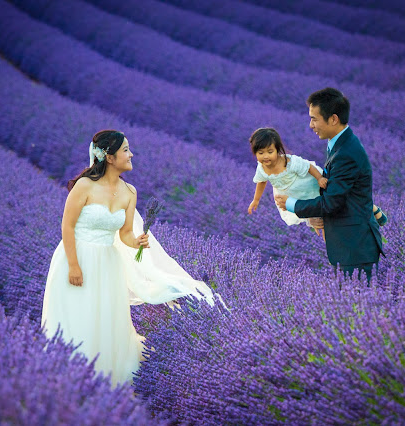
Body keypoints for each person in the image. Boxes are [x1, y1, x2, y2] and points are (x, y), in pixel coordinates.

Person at [42, 130, 215, 386]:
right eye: (125, 149)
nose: (131, 154)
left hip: (108, 263)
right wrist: (74, 266)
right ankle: (68, 377)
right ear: (109, 157)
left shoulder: (129, 191)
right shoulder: (85, 186)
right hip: (76, 257)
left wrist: (137, 242)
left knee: (105, 317)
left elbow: (124, 233)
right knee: (77, 315)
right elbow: (67, 226)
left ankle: (103, 375)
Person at [274, 88, 384, 281]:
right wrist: (314, 218)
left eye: (314, 119)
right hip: (349, 245)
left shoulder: (346, 153)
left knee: (358, 306)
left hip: (355, 248)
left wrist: (291, 204)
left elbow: (332, 203)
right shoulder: (338, 145)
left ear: (333, 119)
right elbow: (340, 194)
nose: (311, 125)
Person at [248, 128, 387, 229]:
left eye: (270, 152)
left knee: (340, 197)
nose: (265, 156)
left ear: (278, 150)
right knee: (319, 220)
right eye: (260, 153)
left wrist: (320, 178)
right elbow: (261, 181)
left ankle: (371, 207)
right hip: (293, 194)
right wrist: (256, 200)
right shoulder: (261, 167)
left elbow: (308, 167)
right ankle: (334, 252)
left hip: (309, 184)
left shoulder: (288, 162)